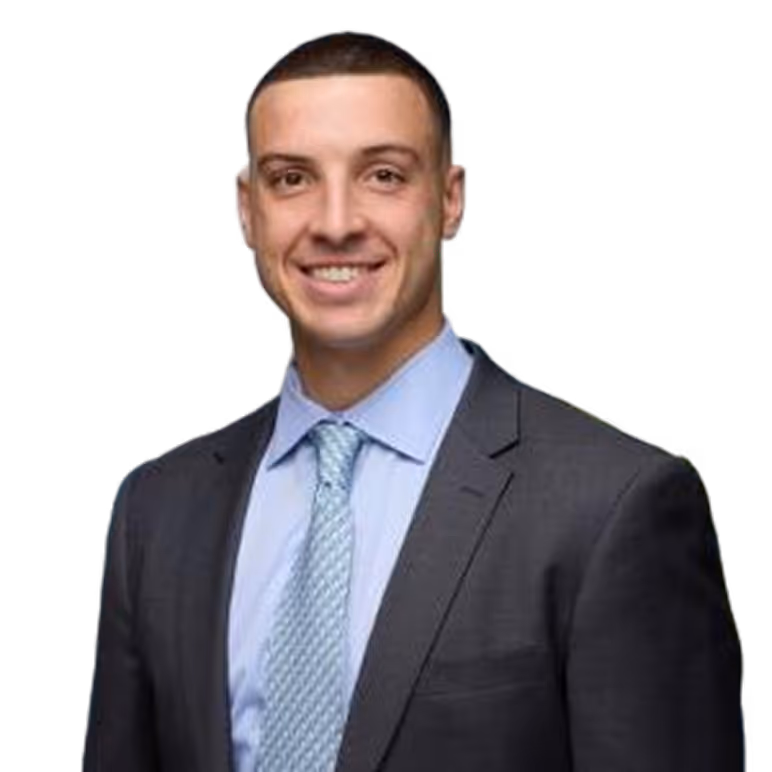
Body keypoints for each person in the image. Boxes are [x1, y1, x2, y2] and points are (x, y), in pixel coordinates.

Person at [81, 30, 745, 772]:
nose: (336, 222)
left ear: (451, 200)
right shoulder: (155, 512)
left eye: (384, 175)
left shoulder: (612, 506)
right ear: (245, 210)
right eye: (292, 178)